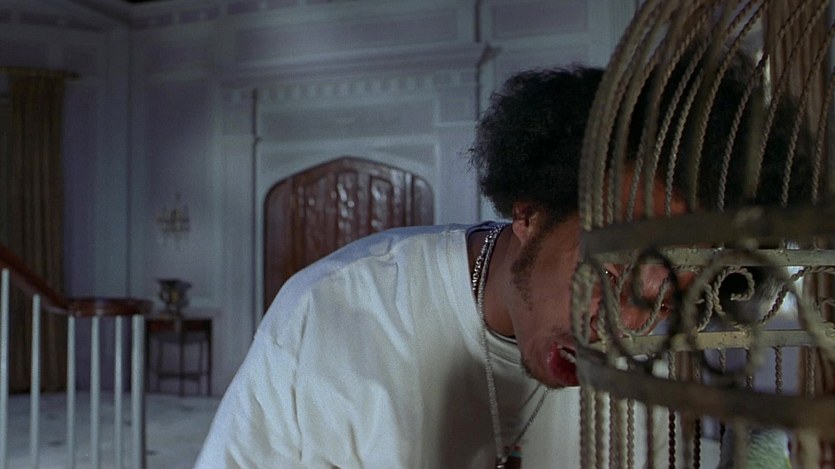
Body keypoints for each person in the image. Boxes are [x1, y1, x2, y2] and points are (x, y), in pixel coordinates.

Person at [195, 53, 814, 468]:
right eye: (613, 273)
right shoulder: (329, 312)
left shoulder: (651, 369)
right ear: (531, 213)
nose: (625, 328)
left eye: (668, 300)